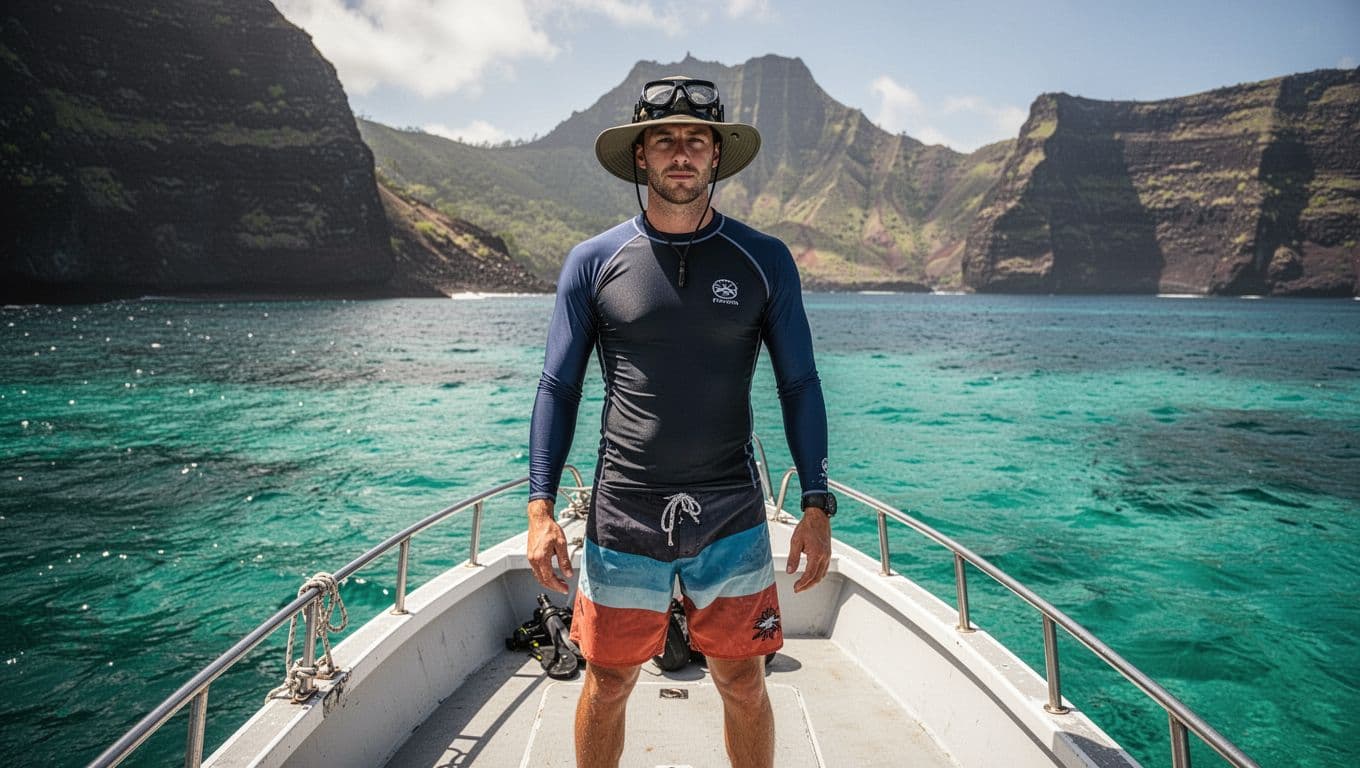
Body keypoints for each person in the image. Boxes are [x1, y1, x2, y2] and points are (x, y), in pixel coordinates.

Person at [526, 75, 835, 768]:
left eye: (697, 139)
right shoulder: (593, 263)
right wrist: (540, 506)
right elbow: (558, 386)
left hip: (730, 508)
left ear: (716, 156)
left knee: (743, 681)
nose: (681, 152)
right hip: (623, 510)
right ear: (641, 155)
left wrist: (816, 504)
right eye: (664, 139)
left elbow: (800, 384)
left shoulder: (764, 260)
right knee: (607, 682)